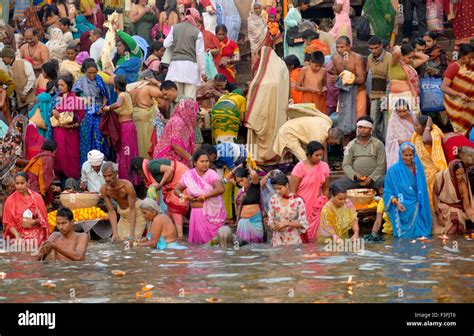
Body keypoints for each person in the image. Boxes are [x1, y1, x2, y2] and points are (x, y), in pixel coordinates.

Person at [245, 47, 289, 164]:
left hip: (262, 113)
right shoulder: (280, 72)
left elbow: (257, 101)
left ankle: (257, 162)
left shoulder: (264, 81)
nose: (257, 58)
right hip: (278, 114)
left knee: (256, 127)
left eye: (257, 56)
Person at [130, 157, 189, 240]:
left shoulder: (151, 166)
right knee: (170, 209)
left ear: (138, 168)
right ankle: (173, 234)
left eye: (138, 172)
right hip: (174, 184)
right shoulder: (149, 172)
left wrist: (160, 185)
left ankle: (180, 236)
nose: (139, 175)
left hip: (182, 178)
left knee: (176, 207)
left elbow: (170, 170)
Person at [174, 150, 226, 244]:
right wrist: (185, 197)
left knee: (213, 245)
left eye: (207, 161)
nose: (205, 164)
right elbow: (176, 191)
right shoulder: (188, 175)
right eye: (202, 161)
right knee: (198, 247)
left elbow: (220, 189)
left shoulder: (211, 173)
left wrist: (204, 197)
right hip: (196, 214)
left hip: (211, 214)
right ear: (195, 163)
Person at [384, 142, 432, 238]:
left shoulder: (419, 169)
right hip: (401, 205)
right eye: (405, 155)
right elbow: (387, 192)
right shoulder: (392, 171)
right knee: (403, 239)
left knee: (422, 236)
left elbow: (422, 189)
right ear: (400, 154)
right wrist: (396, 202)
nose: (408, 158)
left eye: (410, 155)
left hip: (418, 204)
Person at [332, 116, 386, 191]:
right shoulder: (351, 145)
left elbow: (381, 165)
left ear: (371, 129)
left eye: (365, 127)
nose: (362, 130)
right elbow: (346, 164)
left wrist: (372, 177)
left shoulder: (378, 144)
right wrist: (355, 175)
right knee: (335, 185)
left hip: (375, 180)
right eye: (360, 127)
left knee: (386, 181)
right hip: (355, 180)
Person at [290, 141, 330, 242]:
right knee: (302, 233)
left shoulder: (324, 166)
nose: (319, 157)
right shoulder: (299, 168)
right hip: (302, 205)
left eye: (321, 155)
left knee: (317, 236)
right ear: (309, 155)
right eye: (316, 155)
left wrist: (325, 204)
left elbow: (326, 189)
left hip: (317, 206)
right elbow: (293, 191)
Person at [102, 76, 139, 185]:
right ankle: (130, 179)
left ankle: (127, 180)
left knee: (125, 153)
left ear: (115, 87)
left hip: (126, 127)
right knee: (126, 152)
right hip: (127, 127)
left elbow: (118, 104)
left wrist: (108, 108)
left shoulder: (122, 95)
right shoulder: (126, 95)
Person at [72, 60, 110, 165]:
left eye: (94, 72)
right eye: (89, 73)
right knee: (87, 138)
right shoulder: (80, 82)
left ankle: (101, 162)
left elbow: (104, 96)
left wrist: (102, 107)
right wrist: (85, 103)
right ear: (85, 72)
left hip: (99, 113)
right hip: (86, 115)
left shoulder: (99, 80)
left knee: (99, 136)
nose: (92, 75)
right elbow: (73, 96)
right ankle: (87, 165)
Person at [164, 7, 206, 99]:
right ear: (195, 18)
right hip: (191, 69)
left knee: (177, 97)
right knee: (189, 98)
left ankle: (176, 113)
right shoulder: (197, 32)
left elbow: (166, 43)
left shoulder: (175, 28)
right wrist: (203, 72)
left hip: (176, 68)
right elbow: (199, 54)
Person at [153, 81, 198, 166]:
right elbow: (174, 122)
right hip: (179, 139)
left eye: (166, 94)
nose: (165, 97)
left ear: (173, 90)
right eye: (164, 95)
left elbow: (194, 119)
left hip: (191, 134)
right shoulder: (171, 105)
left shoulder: (186, 101)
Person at [331, 36, 367, 139]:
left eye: (342, 47)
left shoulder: (357, 58)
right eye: (337, 47)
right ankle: (345, 148)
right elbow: (336, 78)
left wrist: (346, 79)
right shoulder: (336, 59)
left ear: (349, 47)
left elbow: (361, 79)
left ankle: (360, 144)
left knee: (360, 120)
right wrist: (338, 79)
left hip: (358, 92)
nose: (339, 50)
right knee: (344, 120)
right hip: (344, 94)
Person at [101, 162, 146, 242]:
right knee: (118, 240)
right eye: (105, 176)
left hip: (137, 212)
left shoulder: (127, 185)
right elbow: (111, 211)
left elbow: (133, 209)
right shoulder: (104, 189)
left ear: (116, 173)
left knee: (132, 242)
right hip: (124, 215)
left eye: (110, 175)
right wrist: (115, 233)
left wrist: (132, 235)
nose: (107, 179)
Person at [2, 172, 49, 247]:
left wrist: (34, 222)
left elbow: (44, 219)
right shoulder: (10, 200)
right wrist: (17, 235)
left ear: (28, 183)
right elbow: (8, 223)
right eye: (17, 183)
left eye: (22, 183)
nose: (19, 186)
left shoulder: (37, 198)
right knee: (19, 245)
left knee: (36, 243)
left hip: (36, 232)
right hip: (17, 233)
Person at [52, 75, 85, 180]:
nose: (60, 87)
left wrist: (69, 125)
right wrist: (53, 111)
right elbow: (51, 112)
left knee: (71, 156)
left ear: (69, 85)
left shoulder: (76, 100)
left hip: (71, 132)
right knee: (59, 156)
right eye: (58, 85)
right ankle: (61, 183)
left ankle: (72, 181)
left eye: (62, 85)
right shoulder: (56, 99)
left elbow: (81, 118)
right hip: (58, 132)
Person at [411, 115, 447, 206]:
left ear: (424, 127)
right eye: (414, 125)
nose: (414, 127)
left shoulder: (434, 134)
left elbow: (426, 140)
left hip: (433, 172)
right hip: (421, 170)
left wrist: (428, 126)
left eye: (416, 125)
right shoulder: (416, 135)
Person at [273, 115, 343, 162]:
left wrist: (324, 160)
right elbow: (313, 153)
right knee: (304, 159)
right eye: (334, 142)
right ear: (331, 136)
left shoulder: (327, 122)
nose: (332, 144)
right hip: (288, 132)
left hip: (290, 127)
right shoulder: (319, 137)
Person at [128, 70, 165, 159]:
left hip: (135, 116)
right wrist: (158, 83)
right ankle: (146, 162)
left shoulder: (133, 88)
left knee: (138, 142)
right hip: (145, 117)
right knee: (146, 142)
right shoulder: (147, 87)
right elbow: (164, 94)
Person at [433, 160, 474, 234]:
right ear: (451, 172)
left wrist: (472, 216)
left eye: (462, 174)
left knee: (456, 233)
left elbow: (467, 205)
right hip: (442, 210)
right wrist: (438, 214)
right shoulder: (440, 177)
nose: (460, 177)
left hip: (457, 211)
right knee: (440, 235)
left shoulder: (463, 184)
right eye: (457, 174)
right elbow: (435, 194)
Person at [388, 44, 429, 118]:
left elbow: (426, 57)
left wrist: (412, 53)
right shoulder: (394, 63)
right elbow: (397, 52)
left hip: (410, 96)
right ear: (401, 56)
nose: (411, 59)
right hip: (396, 96)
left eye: (412, 58)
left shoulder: (409, 65)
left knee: (412, 121)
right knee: (397, 120)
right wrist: (399, 47)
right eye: (409, 57)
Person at [441, 43, 474, 135]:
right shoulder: (453, 67)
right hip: (457, 105)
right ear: (462, 56)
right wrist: (458, 94)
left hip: (470, 105)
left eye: (473, 58)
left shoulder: (470, 66)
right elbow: (444, 87)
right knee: (460, 132)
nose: (471, 60)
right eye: (469, 57)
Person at [267, 173, 308, 247]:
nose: (277, 191)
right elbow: (270, 220)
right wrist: (274, 226)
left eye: (280, 188)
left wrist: (286, 223)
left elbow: (303, 223)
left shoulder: (297, 200)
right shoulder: (273, 199)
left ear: (286, 185)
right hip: (278, 241)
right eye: (275, 189)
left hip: (294, 240)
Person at [367, 36, 392, 140]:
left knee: (387, 126)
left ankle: (387, 149)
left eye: (376, 48)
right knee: (372, 125)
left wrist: (386, 99)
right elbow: (370, 77)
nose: (374, 51)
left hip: (387, 96)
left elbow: (390, 80)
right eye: (371, 48)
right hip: (374, 95)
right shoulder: (369, 58)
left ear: (381, 46)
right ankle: (380, 145)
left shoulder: (389, 58)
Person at [0, 46, 36, 115]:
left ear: (9, 57)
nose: (2, 60)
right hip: (20, 101)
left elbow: (32, 79)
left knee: (30, 118)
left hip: (29, 99)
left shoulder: (24, 63)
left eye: (3, 57)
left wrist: (24, 93)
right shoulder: (10, 68)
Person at [234, 167, 265, 243]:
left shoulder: (255, 186)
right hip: (242, 223)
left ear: (248, 177)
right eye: (238, 182)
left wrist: (248, 168)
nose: (241, 183)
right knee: (244, 249)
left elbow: (254, 175)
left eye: (242, 180)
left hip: (255, 222)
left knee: (257, 246)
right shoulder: (241, 192)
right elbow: (227, 178)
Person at [23, 139, 57, 205]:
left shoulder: (41, 155)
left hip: (29, 186)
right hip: (35, 189)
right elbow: (45, 180)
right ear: (54, 150)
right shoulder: (48, 158)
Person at [385, 98, 416, 168]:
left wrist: (412, 140)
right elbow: (389, 140)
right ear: (396, 111)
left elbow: (418, 132)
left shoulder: (413, 117)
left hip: (414, 147)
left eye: (404, 111)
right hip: (399, 149)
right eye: (399, 111)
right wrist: (400, 142)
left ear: (408, 110)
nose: (402, 114)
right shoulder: (393, 121)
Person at [283, 0, 309, 64]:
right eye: (307, 5)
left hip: (297, 37)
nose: (307, 7)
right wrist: (297, 23)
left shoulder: (297, 12)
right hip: (293, 36)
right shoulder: (293, 10)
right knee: (294, 54)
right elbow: (286, 21)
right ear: (302, 3)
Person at [248, 1, 267, 74]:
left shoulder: (262, 18)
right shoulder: (250, 20)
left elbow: (265, 29)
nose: (258, 10)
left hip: (264, 44)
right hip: (255, 45)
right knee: (256, 61)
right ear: (252, 9)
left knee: (263, 61)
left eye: (259, 8)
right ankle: (255, 78)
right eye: (255, 8)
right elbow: (254, 33)